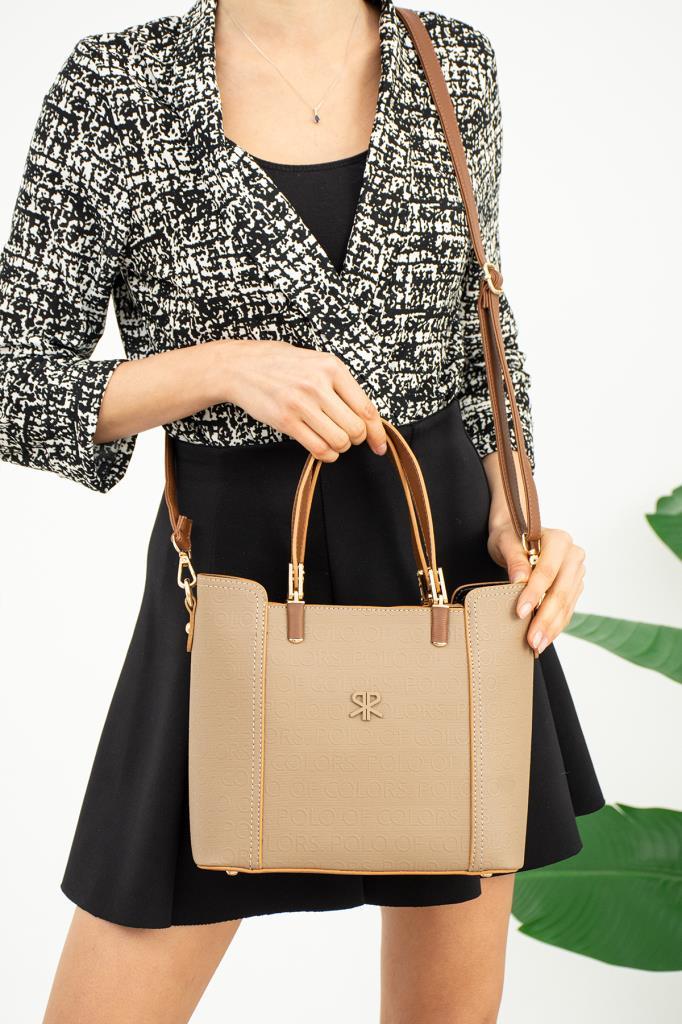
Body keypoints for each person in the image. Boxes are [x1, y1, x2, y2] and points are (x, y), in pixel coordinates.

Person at [0, 0, 604, 1020]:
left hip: (446, 573)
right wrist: (222, 369)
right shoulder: (116, 86)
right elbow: (16, 385)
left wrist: (517, 511)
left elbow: (481, 332)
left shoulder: (451, 61)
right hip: (230, 589)